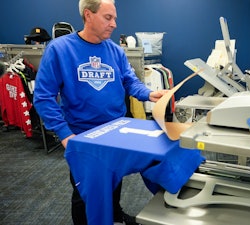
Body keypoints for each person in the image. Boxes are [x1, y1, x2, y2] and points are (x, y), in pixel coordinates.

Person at [33, 0, 167, 224]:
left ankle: (113, 215)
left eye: (114, 18)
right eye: (108, 17)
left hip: (117, 131)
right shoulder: (60, 49)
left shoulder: (115, 50)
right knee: (86, 191)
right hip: (83, 136)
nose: (114, 24)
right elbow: (44, 97)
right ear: (88, 15)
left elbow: (130, 82)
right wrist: (66, 135)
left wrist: (148, 94)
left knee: (114, 178)